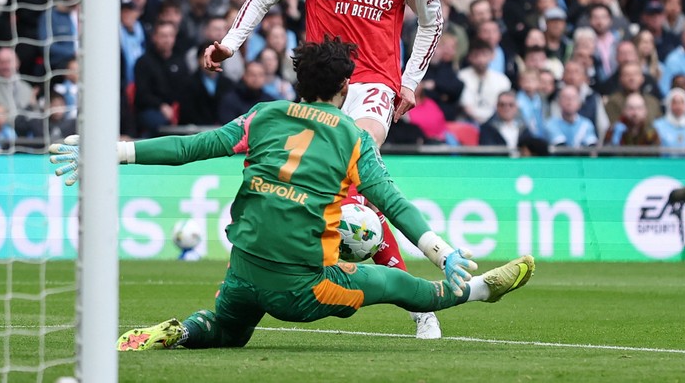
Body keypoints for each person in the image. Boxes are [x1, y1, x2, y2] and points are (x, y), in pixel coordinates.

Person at [49, 38, 534, 351]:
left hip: (242, 271)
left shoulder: (264, 115)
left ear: (299, 82)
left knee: (227, 330)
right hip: (302, 289)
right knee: (403, 287)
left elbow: (189, 147)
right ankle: (480, 291)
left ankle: (184, 330)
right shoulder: (352, 135)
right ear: (346, 86)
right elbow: (390, 201)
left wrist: (111, 151)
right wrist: (441, 250)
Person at [202, 0, 444, 339]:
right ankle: (407, 292)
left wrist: (409, 81)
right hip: (321, 90)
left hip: (374, 83)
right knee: (346, 190)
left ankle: (417, 304)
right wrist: (232, 42)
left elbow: (433, 22)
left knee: (358, 156)